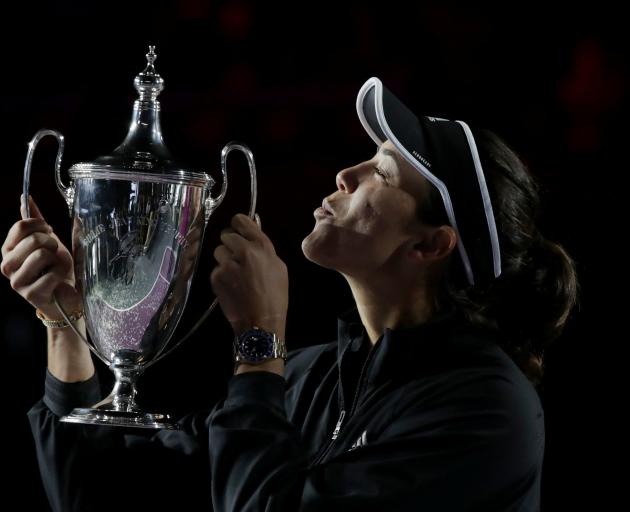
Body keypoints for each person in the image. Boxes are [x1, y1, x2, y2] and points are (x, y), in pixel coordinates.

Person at [1, 77, 579, 511]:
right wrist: (68, 324)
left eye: (382, 171)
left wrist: (259, 342)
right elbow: (96, 495)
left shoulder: (484, 411)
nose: (345, 175)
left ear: (431, 245)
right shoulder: (311, 378)